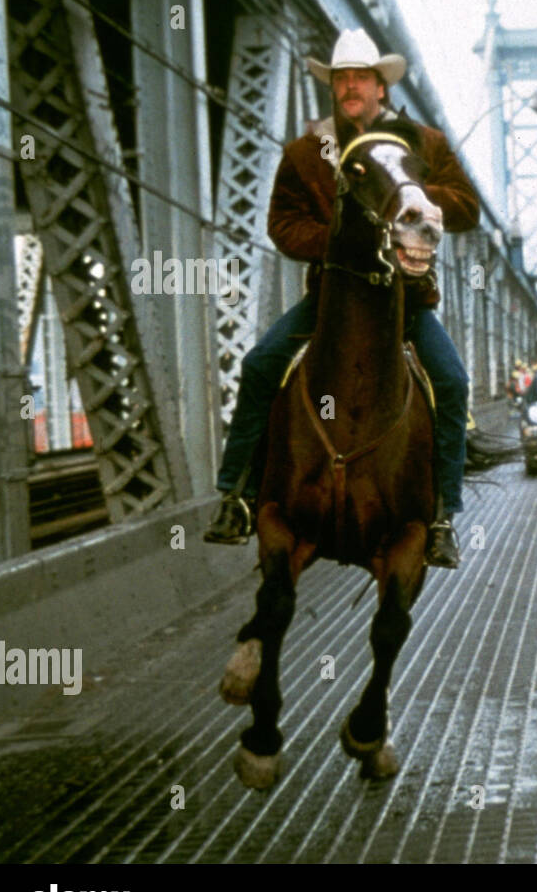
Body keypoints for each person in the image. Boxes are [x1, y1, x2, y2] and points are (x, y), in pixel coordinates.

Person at [203, 29, 481, 567]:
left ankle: (443, 515)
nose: (351, 87)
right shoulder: (307, 153)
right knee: (261, 365)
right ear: (333, 87)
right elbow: (283, 224)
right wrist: (337, 240)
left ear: (381, 86)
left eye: (361, 78)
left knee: (451, 381)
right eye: (342, 79)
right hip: (334, 299)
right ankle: (235, 495)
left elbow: (465, 204)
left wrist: (415, 200)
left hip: (405, 300)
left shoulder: (422, 143)